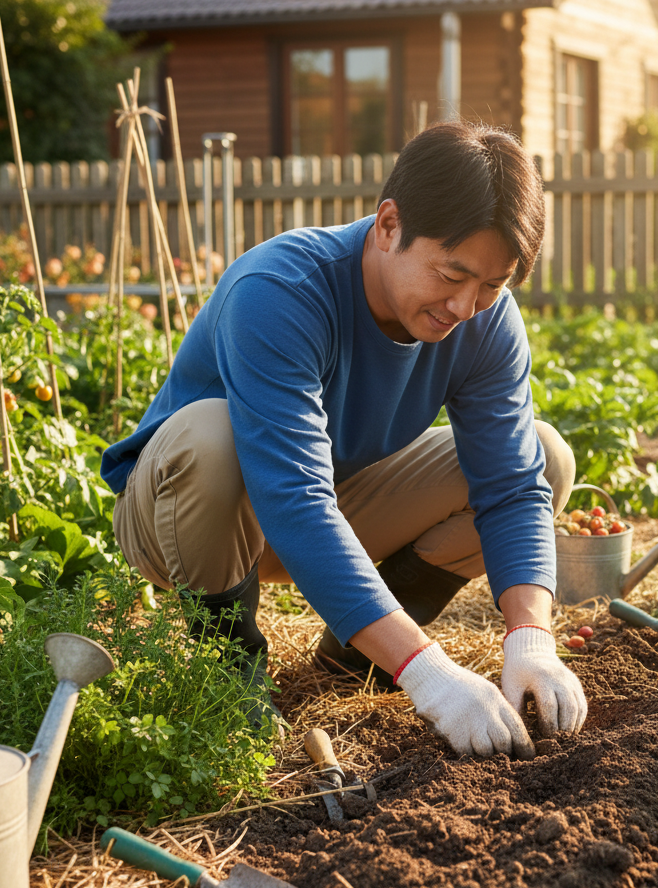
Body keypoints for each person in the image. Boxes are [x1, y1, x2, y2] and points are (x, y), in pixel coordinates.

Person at [100, 120, 588, 760]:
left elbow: (512, 485)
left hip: (323, 499)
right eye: (451, 273)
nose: (465, 307)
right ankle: (227, 660)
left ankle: (354, 655)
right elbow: (293, 495)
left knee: (545, 458)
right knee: (213, 437)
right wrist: (429, 674)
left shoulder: (484, 319)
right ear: (389, 226)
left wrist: (531, 637)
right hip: (189, 516)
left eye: (492, 286)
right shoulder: (281, 291)